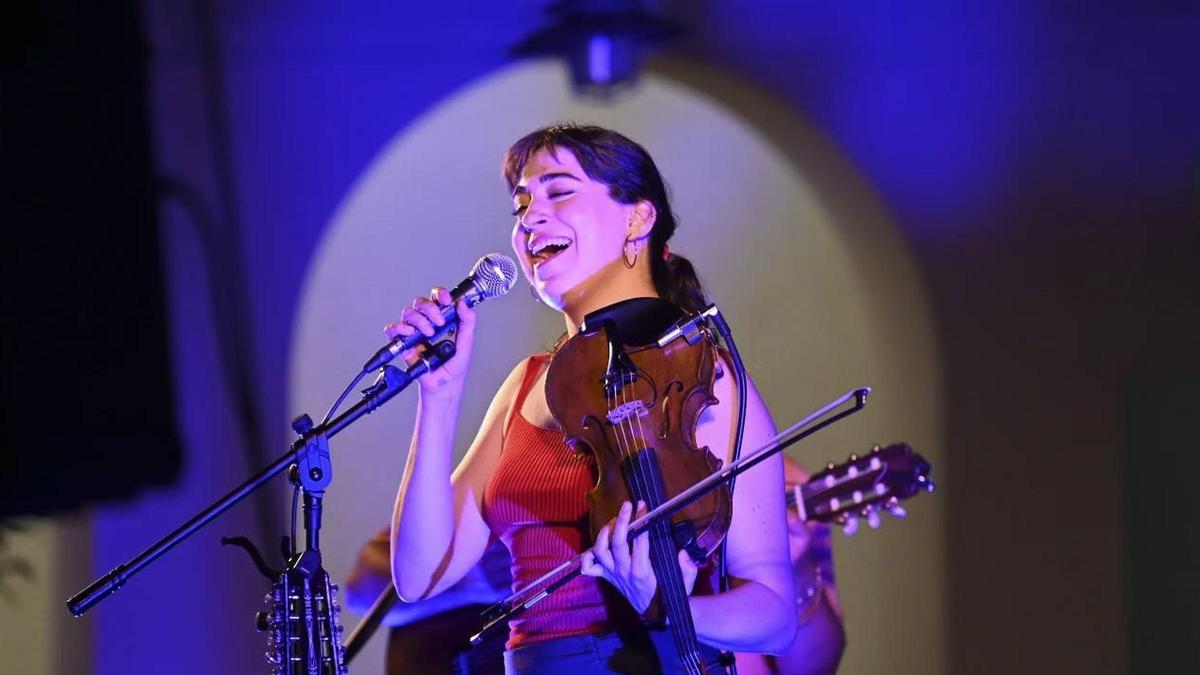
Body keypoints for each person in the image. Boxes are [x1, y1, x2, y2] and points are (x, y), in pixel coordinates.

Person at [386, 124, 844, 673]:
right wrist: (438, 397)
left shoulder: (701, 380)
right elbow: (419, 575)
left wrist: (667, 603)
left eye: (559, 191)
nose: (530, 217)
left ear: (638, 218)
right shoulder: (527, 384)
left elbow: (772, 617)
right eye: (522, 204)